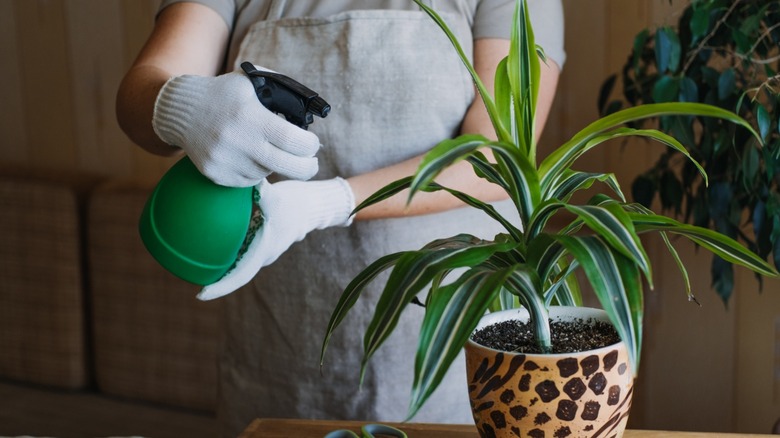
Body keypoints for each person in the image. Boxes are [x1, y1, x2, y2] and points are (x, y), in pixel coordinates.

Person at [116, 0, 565, 436]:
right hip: (279, 342)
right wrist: (180, 104)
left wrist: (330, 202)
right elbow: (141, 91)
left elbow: (497, 157)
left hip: (444, 349)